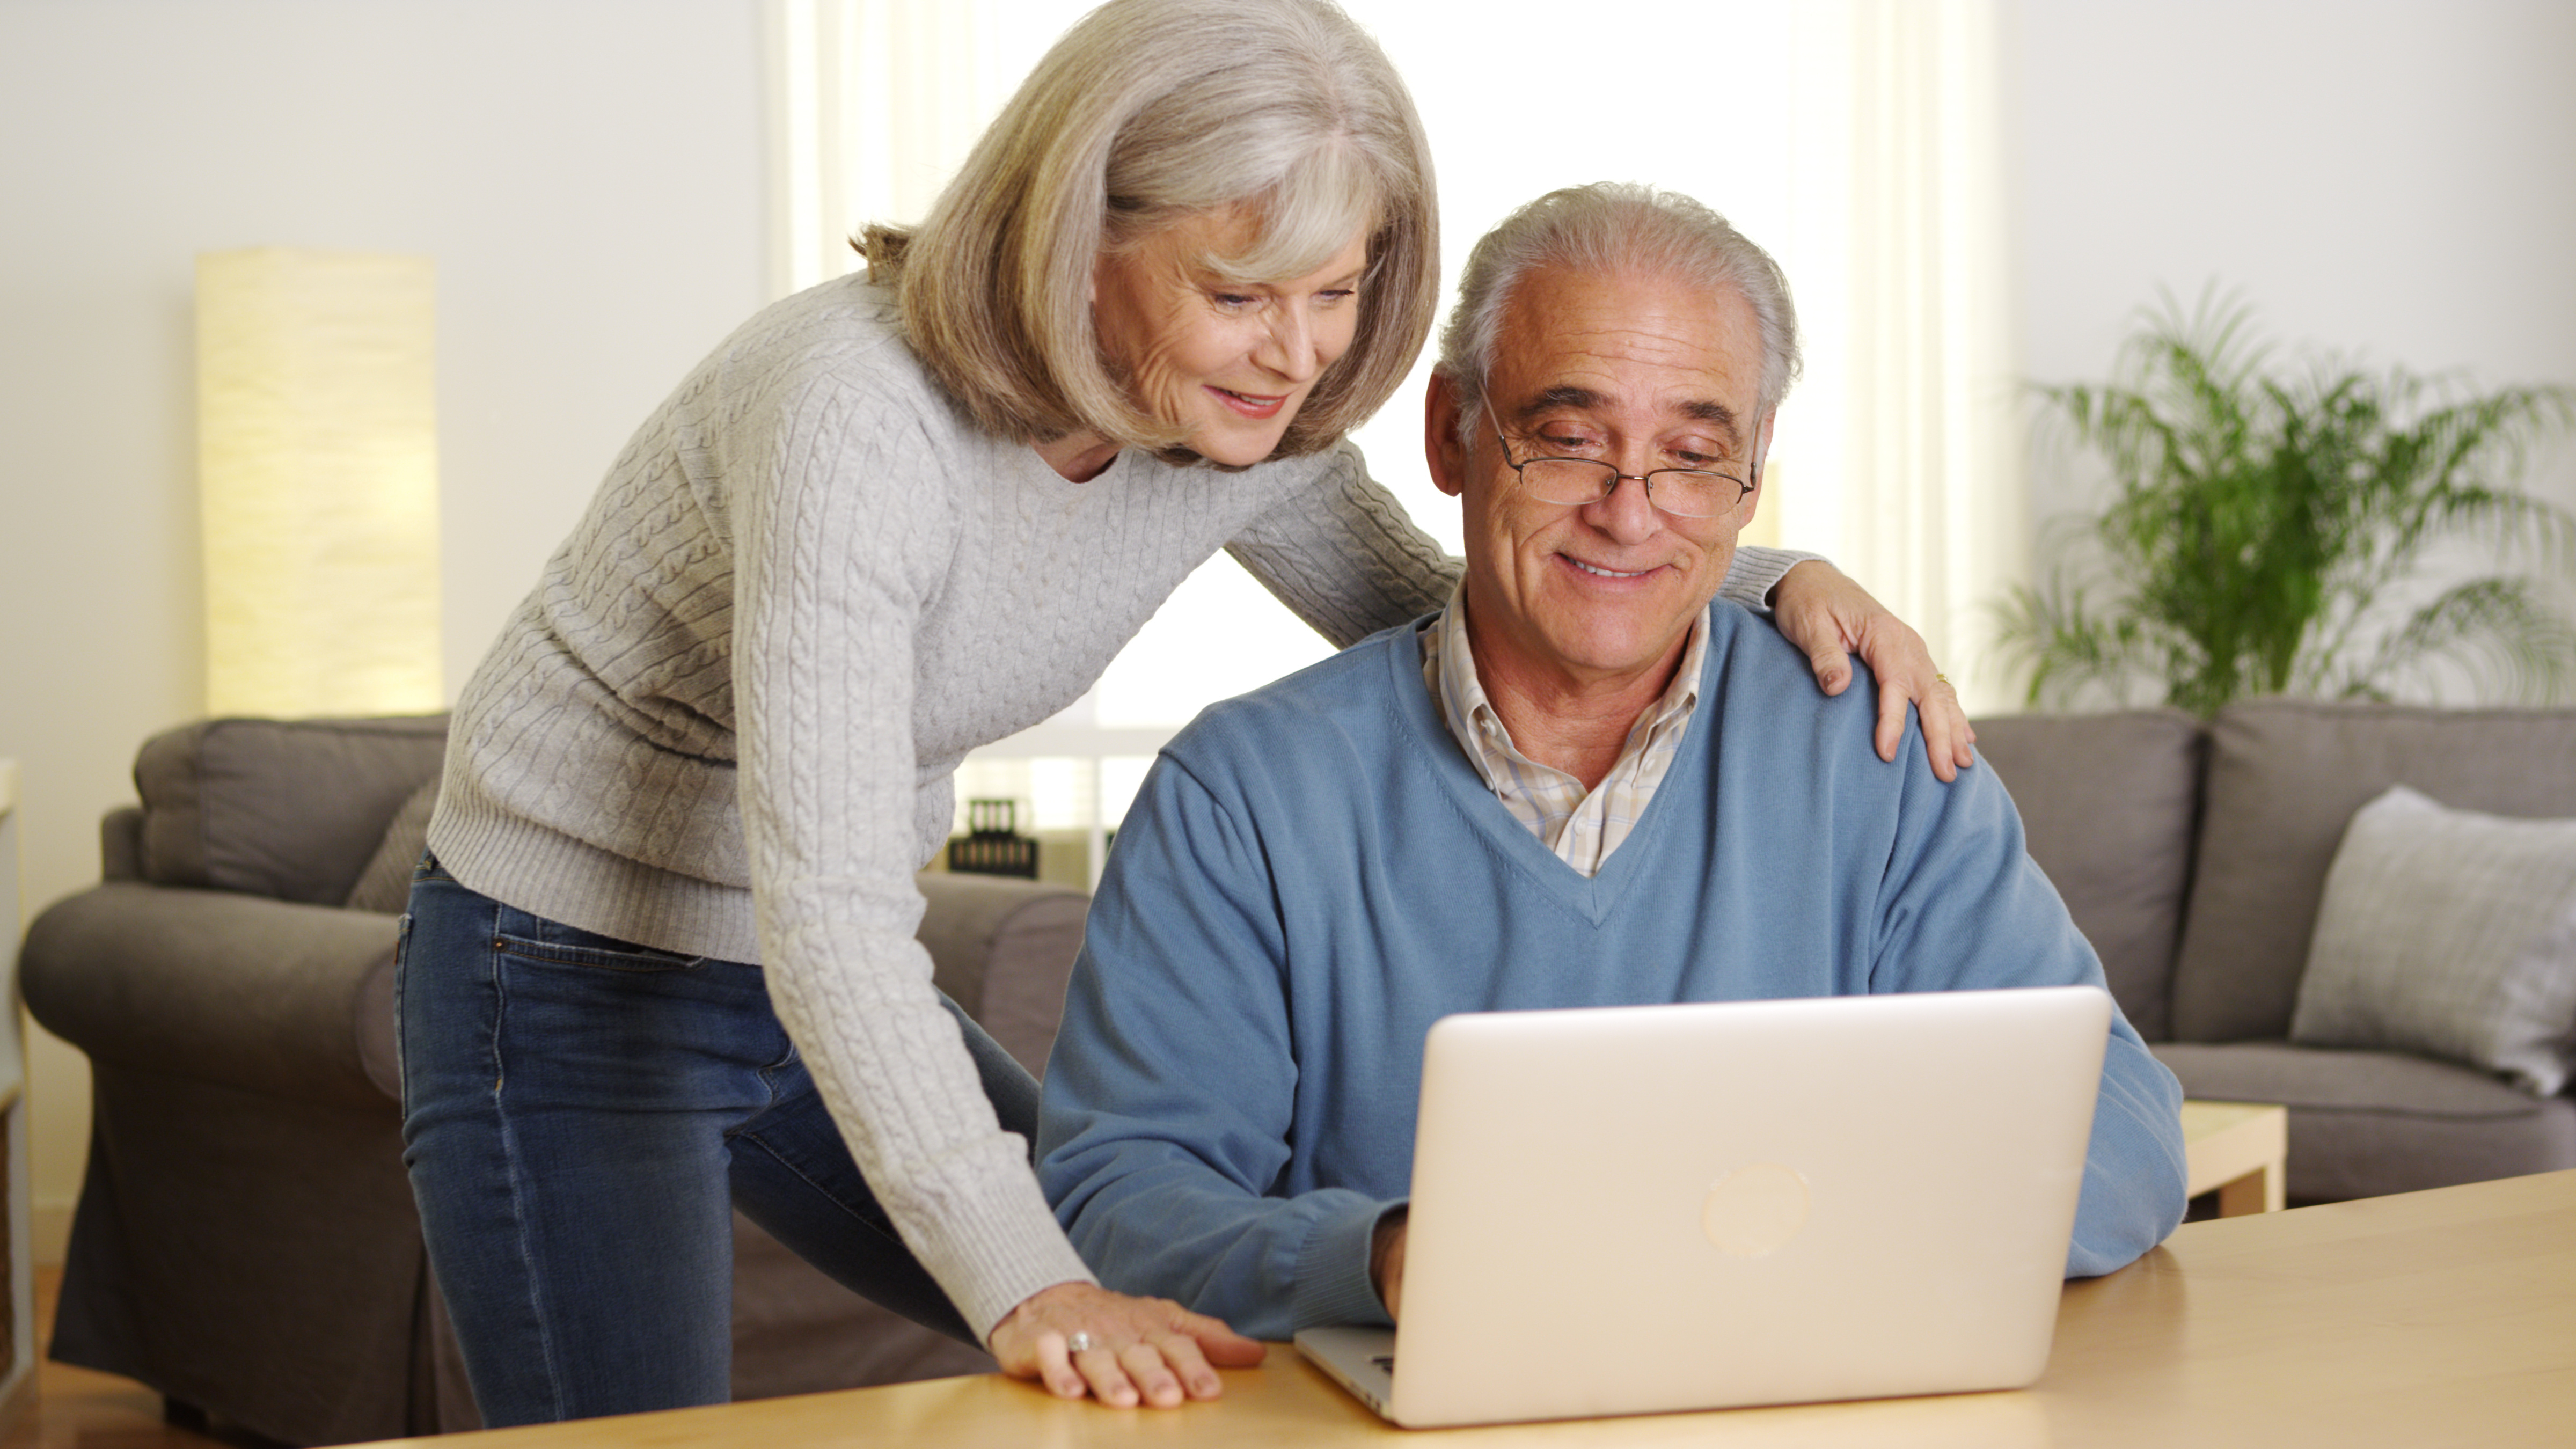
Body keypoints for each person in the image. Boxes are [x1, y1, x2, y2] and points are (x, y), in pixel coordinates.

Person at [398, 1, 1970, 1426]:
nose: (1298, 354)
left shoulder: (1229, 421)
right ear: (1082, 235)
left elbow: (1456, 603)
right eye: (1239, 291)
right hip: (563, 960)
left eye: (1340, 291)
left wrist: (1759, 574)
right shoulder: (853, 423)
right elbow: (834, 914)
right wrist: (1028, 1290)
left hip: (784, 965)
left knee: (1148, 1281)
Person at [1035, 182, 2190, 1342]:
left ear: (1753, 468)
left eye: (1692, 457)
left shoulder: (1876, 752)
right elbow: (1117, 1203)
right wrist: (1381, 1259)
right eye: (1569, 442)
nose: (1630, 516)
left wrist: (1820, 1255)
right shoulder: (1241, 798)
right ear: (1452, 434)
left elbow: (2119, 1125)